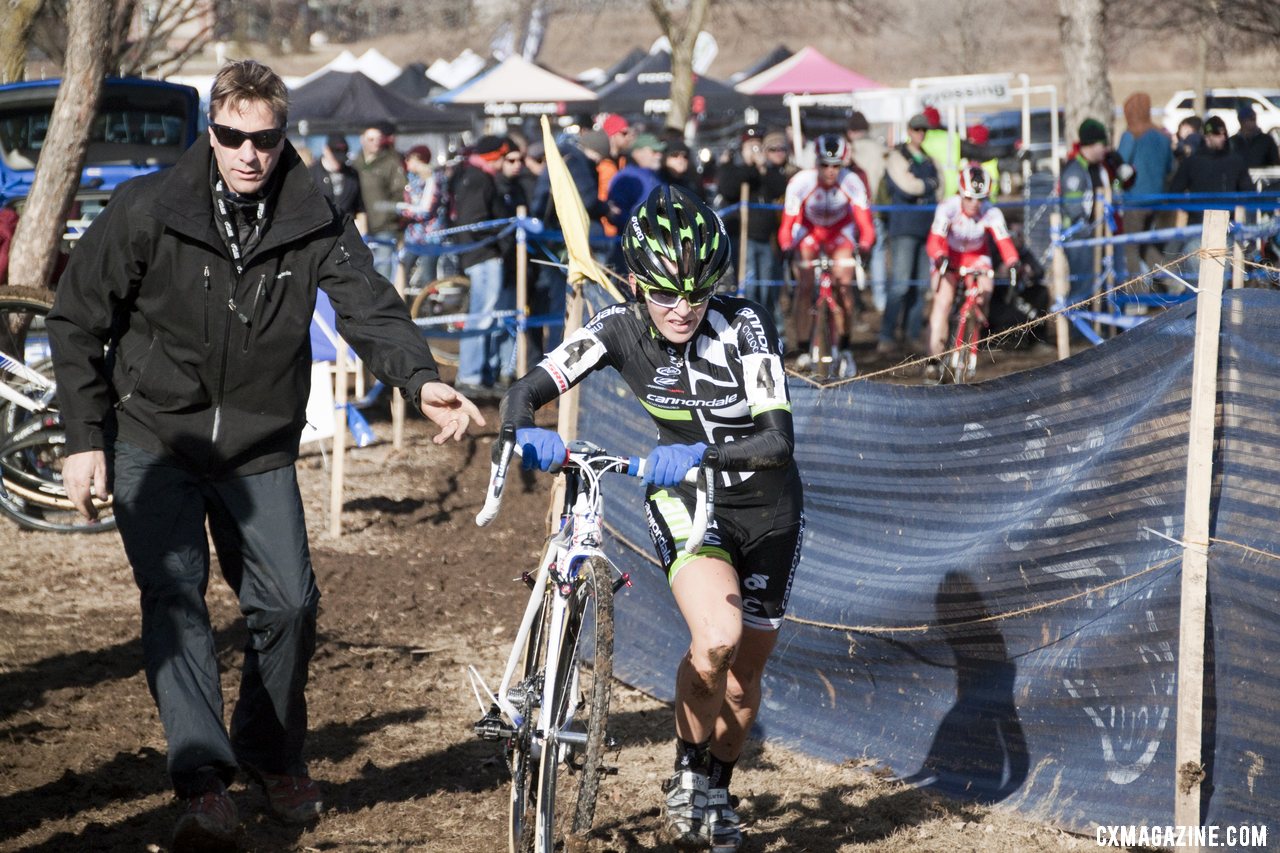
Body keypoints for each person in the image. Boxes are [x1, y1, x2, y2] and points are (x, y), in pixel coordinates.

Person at [45, 59, 484, 852]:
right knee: (175, 600)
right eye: (232, 136)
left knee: (288, 606)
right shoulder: (148, 207)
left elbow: (370, 308)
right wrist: (84, 440)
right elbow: (77, 319)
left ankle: (271, 753)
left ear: (286, 136)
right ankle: (203, 784)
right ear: (211, 129)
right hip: (155, 438)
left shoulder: (312, 215)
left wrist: (421, 381)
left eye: (266, 138)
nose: (249, 153)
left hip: (257, 448)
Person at [500, 185, 803, 853]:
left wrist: (704, 451)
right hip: (688, 498)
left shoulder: (744, 323)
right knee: (715, 638)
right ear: (637, 281)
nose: (682, 308)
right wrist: (524, 432)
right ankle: (691, 781)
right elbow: (525, 388)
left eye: (697, 292)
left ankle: (709, 784)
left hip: (769, 506)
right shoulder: (617, 325)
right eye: (665, 293)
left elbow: (778, 442)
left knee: (745, 677)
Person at [778, 133, 875, 368]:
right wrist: (786, 247)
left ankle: (845, 348)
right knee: (804, 288)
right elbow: (787, 226)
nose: (830, 171)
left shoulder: (852, 181)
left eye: (836, 165)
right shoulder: (801, 182)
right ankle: (802, 348)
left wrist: (864, 246)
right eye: (824, 165)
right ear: (816, 163)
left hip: (839, 235)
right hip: (810, 234)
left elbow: (866, 226)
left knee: (843, 289)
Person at [923, 165, 1020, 381]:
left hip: (976, 256)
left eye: (980, 199)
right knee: (943, 301)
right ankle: (933, 360)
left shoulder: (991, 212)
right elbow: (934, 241)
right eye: (969, 198)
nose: (974, 204)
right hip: (949, 255)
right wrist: (939, 256)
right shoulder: (948, 207)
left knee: (986, 289)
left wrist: (1013, 262)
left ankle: (976, 323)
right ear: (960, 193)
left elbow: (1004, 242)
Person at [450, 135, 516, 395]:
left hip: (482, 253)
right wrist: (499, 240)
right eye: (501, 157)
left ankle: (481, 372)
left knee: (486, 316)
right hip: (482, 255)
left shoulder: (475, 176)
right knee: (481, 316)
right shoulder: (478, 178)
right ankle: (470, 376)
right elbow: (475, 221)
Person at [879, 113, 942, 356]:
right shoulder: (897, 156)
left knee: (920, 286)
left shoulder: (928, 158)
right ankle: (886, 335)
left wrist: (923, 186)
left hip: (927, 227)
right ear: (909, 130)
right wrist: (928, 185)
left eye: (924, 130)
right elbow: (907, 186)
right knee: (901, 285)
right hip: (904, 228)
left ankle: (912, 334)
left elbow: (939, 187)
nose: (920, 134)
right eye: (917, 129)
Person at [716, 128, 791, 324]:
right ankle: (747, 324)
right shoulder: (733, 168)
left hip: (766, 239)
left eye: (758, 144)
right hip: (743, 237)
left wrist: (762, 169)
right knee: (748, 286)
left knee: (767, 288)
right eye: (751, 145)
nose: (755, 149)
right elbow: (728, 188)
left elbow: (779, 187)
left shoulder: (767, 171)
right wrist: (749, 167)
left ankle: (772, 328)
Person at [1169, 114, 1254, 268]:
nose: (1222, 138)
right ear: (1207, 136)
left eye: (1224, 134)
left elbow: (1249, 192)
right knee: (1195, 274)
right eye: (1217, 134)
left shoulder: (1235, 161)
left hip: (1227, 231)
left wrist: (1235, 211)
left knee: (1223, 278)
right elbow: (1175, 191)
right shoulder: (1193, 162)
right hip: (1197, 230)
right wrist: (1192, 209)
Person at [1116, 92, 1174, 278]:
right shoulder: (1162, 137)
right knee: (1145, 245)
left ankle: (1137, 295)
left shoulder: (1131, 135)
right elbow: (1170, 167)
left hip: (1134, 201)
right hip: (1157, 200)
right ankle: (1171, 281)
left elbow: (1120, 164)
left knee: (1130, 247)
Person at [1060, 118, 1112, 302]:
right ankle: (1078, 330)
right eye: (1102, 144)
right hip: (1077, 238)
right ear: (1091, 145)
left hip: (1089, 237)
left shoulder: (1095, 168)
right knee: (1081, 288)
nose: (1105, 149)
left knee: (1094, 286)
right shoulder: (1074, 171)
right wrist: (1087, 229)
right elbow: (1073, 208)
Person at [846, 112, 889, 312]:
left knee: (850, 257)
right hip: (876, 211)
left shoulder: (850, 151)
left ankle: (855, 300)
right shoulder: (880, 150)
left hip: (852, 213)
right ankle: (880, 300)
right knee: (878, 256)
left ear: (850, 131)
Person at [356, 122, 407, 280]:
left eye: (378, 139)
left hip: (385, 227)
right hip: (362, 227)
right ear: (362, 140)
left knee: (383, 273)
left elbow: (400, 193)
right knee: (362, 271)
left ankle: (383, 304)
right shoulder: (354, 164)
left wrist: (387, 213)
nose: (376, 142)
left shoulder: (390, 162)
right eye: (371, 139)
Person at [400, 143, 448, 286]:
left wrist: (402, 209)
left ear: (418, 159)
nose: (406, 162)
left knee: (428, 276)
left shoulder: (434, 179)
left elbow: (426, 210)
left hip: (431, 237)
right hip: (413, 237)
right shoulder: (412, 180)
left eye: (409, 158)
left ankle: (431, 304)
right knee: (402, 270)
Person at [308, 134, 366, 231]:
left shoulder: (351, 175)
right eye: (335, 156)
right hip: (320, 231)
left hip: (346, 231)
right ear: (326, 150)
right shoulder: (312, 173)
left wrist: (363, 234)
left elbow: (360, 208)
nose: (338, 161)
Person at [1229, 104, 1280, 170]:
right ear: (1241, 122)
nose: (1253, 122)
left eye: (1254, 119)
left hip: (1263, 178)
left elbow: (1275, 164)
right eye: (1250, 119)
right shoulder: (1232, 142)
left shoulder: (1266, 141)